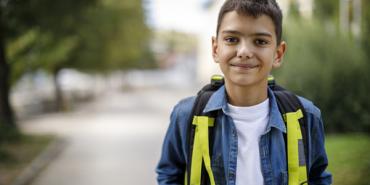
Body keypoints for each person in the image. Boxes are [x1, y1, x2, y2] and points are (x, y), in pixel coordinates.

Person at [156, 0, 332, 184]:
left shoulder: (306, 115)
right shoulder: (186, 115)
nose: (244, 51)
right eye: (232, 39)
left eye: (260, 41)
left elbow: (318, 177)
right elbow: (169, 174)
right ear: (216, 49)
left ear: (278, 54)